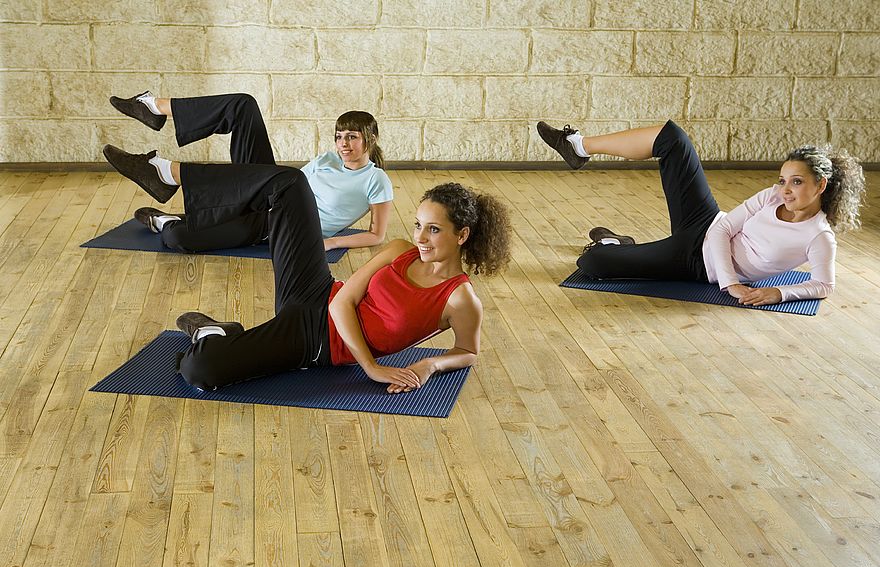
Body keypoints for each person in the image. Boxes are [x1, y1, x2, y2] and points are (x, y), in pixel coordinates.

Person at [100, 144, 511, 392]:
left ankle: (212, 334)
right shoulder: (401, 249)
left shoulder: (460, 299)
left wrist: (427, 364)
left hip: (314, 341)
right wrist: (371, 366)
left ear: (462, 235)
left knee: (200, 371)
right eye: (419, 224)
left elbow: (467, 351)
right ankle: (169, 176)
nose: (420, 237)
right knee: (289, 184)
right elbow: (343, 300)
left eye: (434, 230)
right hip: (317, 292)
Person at [536, 120, 865, 305]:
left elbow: (823, 285)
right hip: (707, 224)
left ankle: (616, 245)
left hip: (694, 262)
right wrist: (732, 284)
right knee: (674, 139)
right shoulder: (772, 197)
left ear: (820, 185)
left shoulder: (819, 236)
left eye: (796, 182)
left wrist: (778, 292)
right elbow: (722, 229)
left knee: (591, 265)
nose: (786, 189)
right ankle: (578, 147)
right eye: (782, 180)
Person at [107, 91, 393, 253]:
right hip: (270, 195)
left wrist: (331, 242)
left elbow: (376, 235)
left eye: (352, 137)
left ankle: (168, 215)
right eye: (339, 136)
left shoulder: (375, 179)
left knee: (177, 239)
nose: (344, 144)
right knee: (244, 105)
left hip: (281, 223)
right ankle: (156, 109)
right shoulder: (327, 159)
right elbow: (282, 182)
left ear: (370, 138)